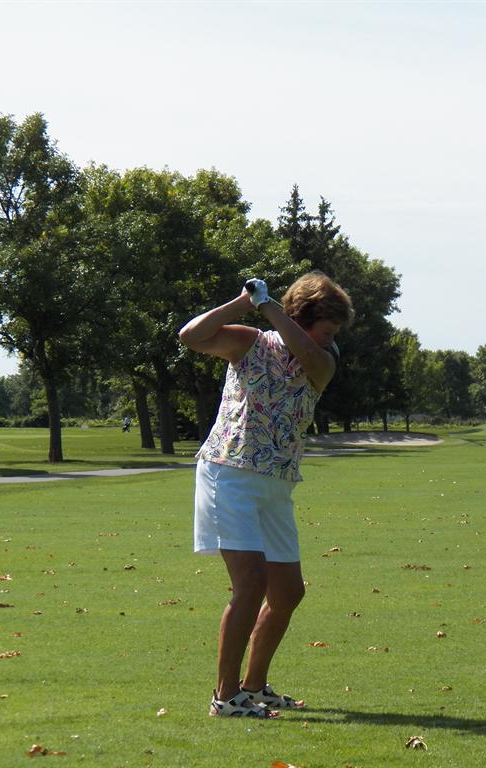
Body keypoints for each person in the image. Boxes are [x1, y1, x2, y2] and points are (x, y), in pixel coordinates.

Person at [178, 272, 353, 719]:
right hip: (229, 472)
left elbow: (309, 354)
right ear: (303, 315)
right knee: (251, 584)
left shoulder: (324, 360)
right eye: (328, 328)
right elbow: (192, 336)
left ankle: (254, 685)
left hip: (276, 481)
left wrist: (268, 305)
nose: (333, 340)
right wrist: (244, 302)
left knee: (288, 592)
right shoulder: (251, 342)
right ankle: (226, 695)